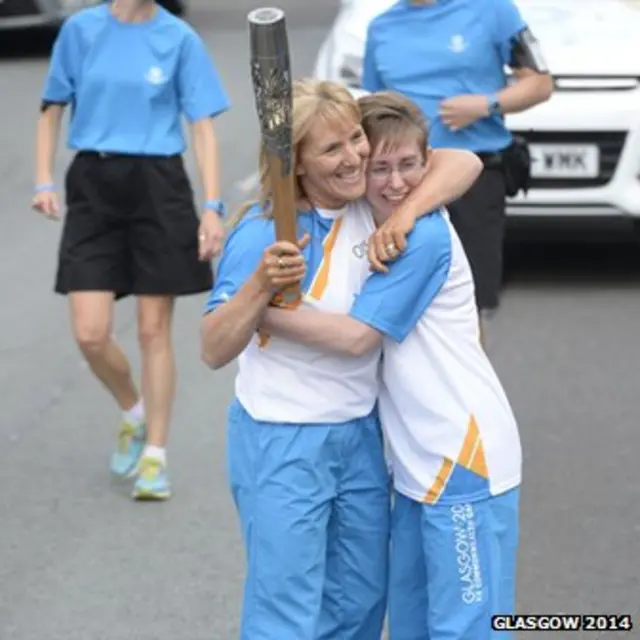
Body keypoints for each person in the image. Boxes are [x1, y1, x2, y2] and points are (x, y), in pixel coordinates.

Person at [200, 79, 482, 640]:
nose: (355, 157)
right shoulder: (262, 231)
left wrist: (407, 216)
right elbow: (212, 346)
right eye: (332, 150)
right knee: (287, 610)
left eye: (355, 139)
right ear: (296, 163)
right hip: (282, 439)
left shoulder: (372, 206)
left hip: (359, 436)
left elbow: (460, 158)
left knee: (358, 602)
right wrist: (259, 288)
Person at [260, 90, 522, 640]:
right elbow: (448, 161)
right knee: (412, 627)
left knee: (466, 629)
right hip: (414, 465)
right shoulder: (366, 213)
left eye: (408, 167)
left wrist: (260, 314)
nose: (395, 181)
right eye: (379, 167)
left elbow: (357, 339)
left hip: (462, 454)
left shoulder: (419, 236)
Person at [32, 0, 229, 501]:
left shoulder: (178, 38)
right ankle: (132, 409)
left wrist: (211, 205)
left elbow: (201, 125)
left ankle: (155, 457)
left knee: (151, 329)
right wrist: (42, 179)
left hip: (158, 186)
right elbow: (51, 106)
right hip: (94, 184)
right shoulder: (81, 31)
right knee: (91, 333)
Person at [362, 0, 553, 342]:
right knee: (397, 296)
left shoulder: (493, 10)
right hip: (400, 182)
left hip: (472, 177)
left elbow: (540, 83)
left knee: (467, 305)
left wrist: (485, 105)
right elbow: (372, 112)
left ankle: (468, 389)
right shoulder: (381, 28)